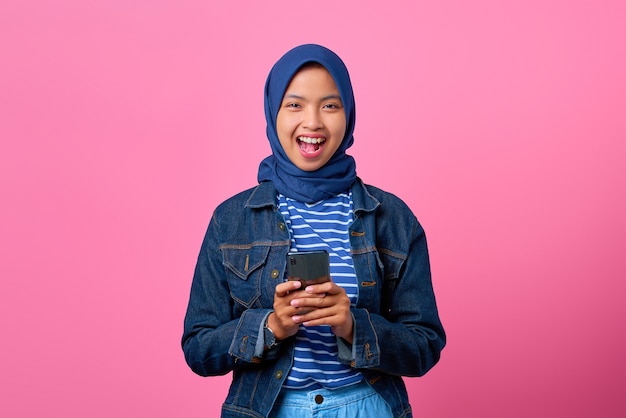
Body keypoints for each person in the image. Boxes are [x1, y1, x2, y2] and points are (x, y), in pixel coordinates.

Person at [182, 44, 446, 418]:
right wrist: (271, 326)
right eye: (295, 104)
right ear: (273, 112)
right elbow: (198, 348)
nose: (313, 122)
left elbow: (425, 345)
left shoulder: (393, 218)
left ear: (349, 113)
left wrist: (353, 325)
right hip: (267, 410)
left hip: (365, 406)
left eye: (330, 105)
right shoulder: (231, 220)